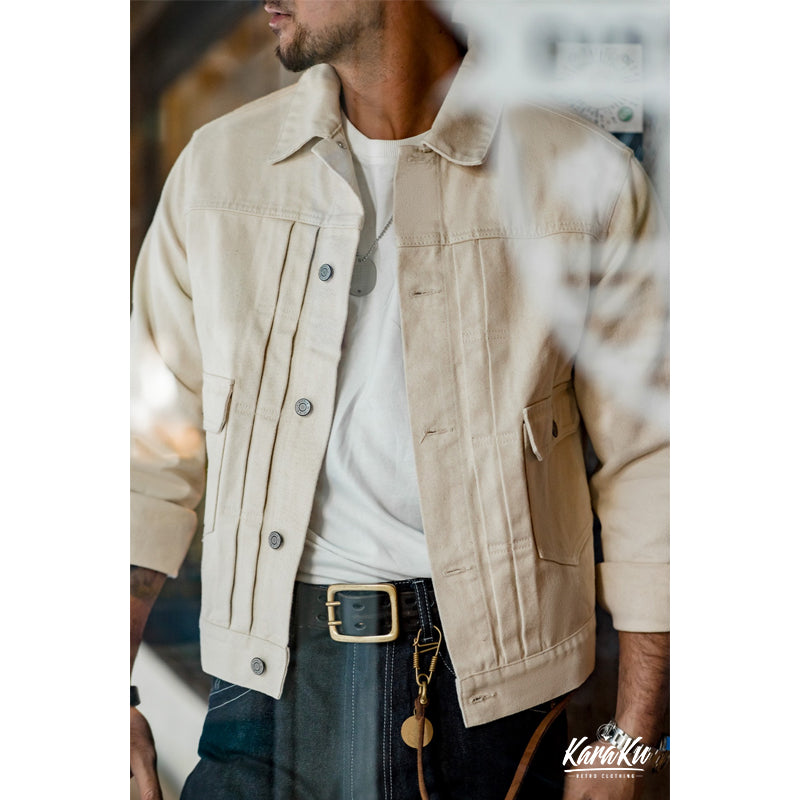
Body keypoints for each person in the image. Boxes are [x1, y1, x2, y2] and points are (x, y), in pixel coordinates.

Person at [130, 2, 669, 799]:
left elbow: (653, 462)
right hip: (260, 686)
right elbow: (144, 461)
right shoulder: (216, 172)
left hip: (492, 704)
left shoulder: (582, 179)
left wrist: (631, 739)